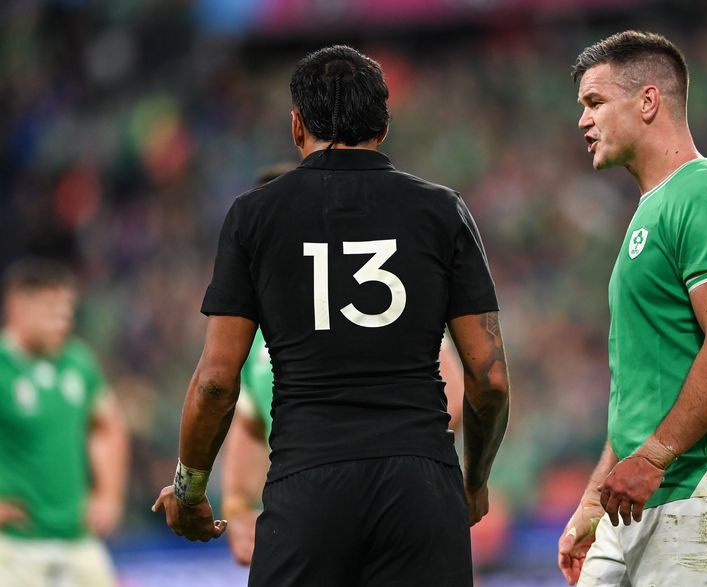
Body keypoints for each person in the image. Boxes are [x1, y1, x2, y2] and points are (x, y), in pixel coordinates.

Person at [152, 45, 510, 587]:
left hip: (309, 488)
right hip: (420, 484)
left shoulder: (255, 215)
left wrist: (189, 489)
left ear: (297, 126)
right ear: (383, 125)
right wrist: (474, 479)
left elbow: (216, 384)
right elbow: (489, 378)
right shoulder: (442, 210)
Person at [557, 31, 707, 586]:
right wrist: (592, 499)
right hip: (634, 501)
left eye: (595, 102)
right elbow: (642, 388)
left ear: (648, 101)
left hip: (698, 490)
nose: (583, 120)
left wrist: (652, 459)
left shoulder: (706, 192)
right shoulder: (651, 211)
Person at [219, 165, 469, 567]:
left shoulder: (375, 299)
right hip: (309, 503)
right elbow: (249, 424)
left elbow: (454, 397)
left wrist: (376, 461)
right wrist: (236, 508)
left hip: (388, 495)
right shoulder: (259, 337)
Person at [0, 258, 129, 587]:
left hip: (77, 538)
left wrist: (109, 494)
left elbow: (109, 425)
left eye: (67, 311)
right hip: (14, 543)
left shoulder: (77, 361)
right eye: (51, 311)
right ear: (18, 307)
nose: (63, 321)